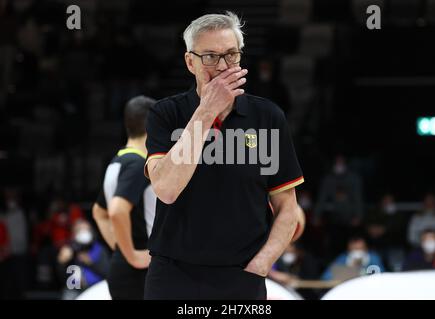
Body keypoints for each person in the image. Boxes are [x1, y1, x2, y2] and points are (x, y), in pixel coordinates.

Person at [144, 12, 305, 300]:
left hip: (242, 276)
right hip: (173, 275)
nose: (221, 66)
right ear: (189, 62)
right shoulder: (166, 114)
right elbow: (166, 190)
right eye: (210, 56)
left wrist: (262, 264)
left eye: (231, 55)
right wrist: (206, 111)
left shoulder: (268, 116)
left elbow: (287, 208)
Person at [93, 96, 157, 300]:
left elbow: (98, 212)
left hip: (124, 268)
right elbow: (116, 210)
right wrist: (133, 255)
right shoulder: (138, 165)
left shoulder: (117, 161)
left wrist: (121, 248)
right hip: (139, 271)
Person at [57, 219, 110, 300]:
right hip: (74, 290)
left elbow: (107, 272)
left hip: (94, 289)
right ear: (74, 233)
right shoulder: (69, 248)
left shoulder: (99, 249)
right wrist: (62, 262)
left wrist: (90, 262)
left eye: (86, 229)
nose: (84, 233)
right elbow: (60, 277)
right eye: (80, 230)